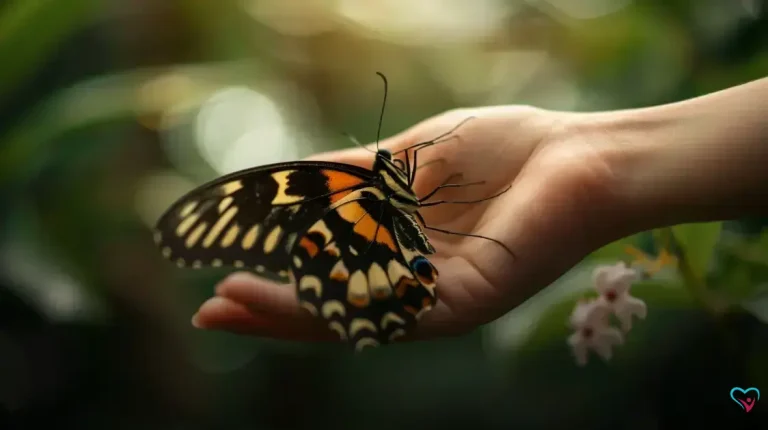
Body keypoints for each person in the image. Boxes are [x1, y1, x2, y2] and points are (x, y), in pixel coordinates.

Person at [190, 77, 768, 343]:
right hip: (360, 266)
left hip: (377, 259)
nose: (397, 165)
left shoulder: (390, 187)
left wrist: (582, 159)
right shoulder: (354, 189)